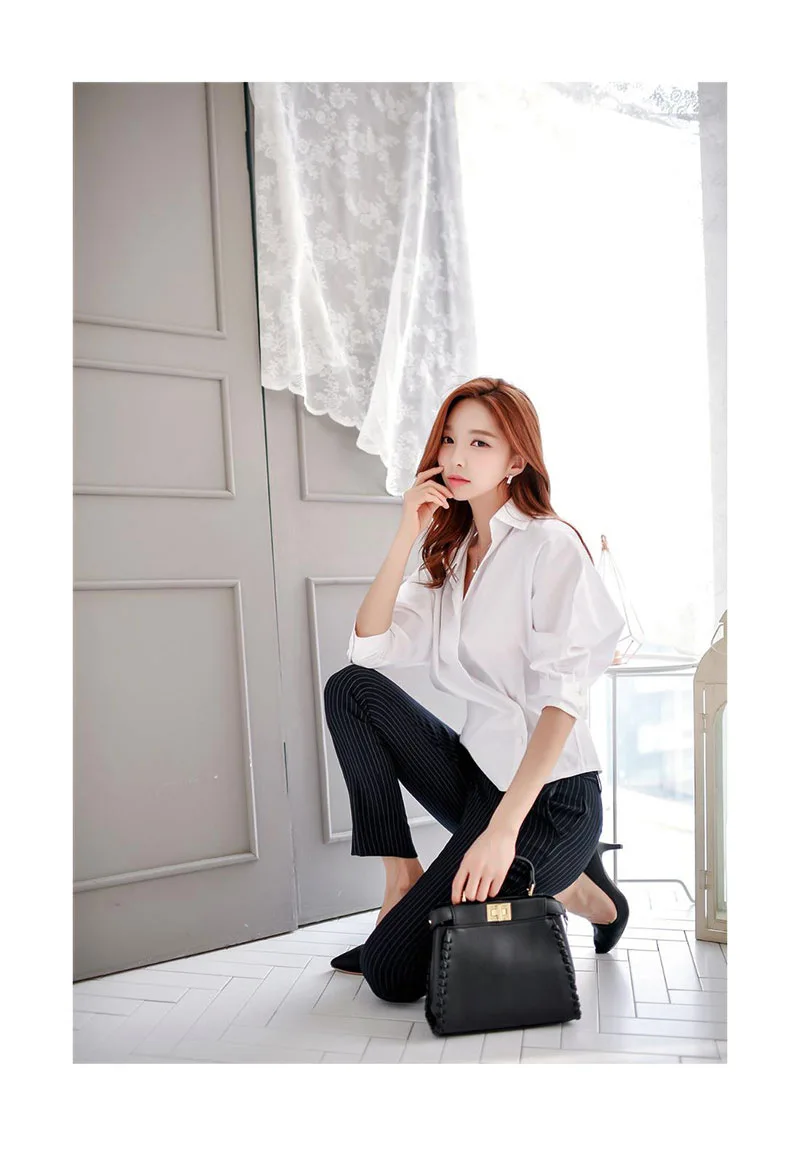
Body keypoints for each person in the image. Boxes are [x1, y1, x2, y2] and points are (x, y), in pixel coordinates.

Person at [323, 377, 629, 1004]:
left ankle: (586, 893)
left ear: (516, 460)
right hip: (478, 780)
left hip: (550, 799)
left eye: (480, 443)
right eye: (449, 440)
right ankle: (403, 879)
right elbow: (369, 649)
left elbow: (563, 702)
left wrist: (501, 832)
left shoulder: (549, 544)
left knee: (390, 972)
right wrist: (407, 533)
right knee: (351, 689)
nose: (457, 458)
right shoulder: (453, 552)